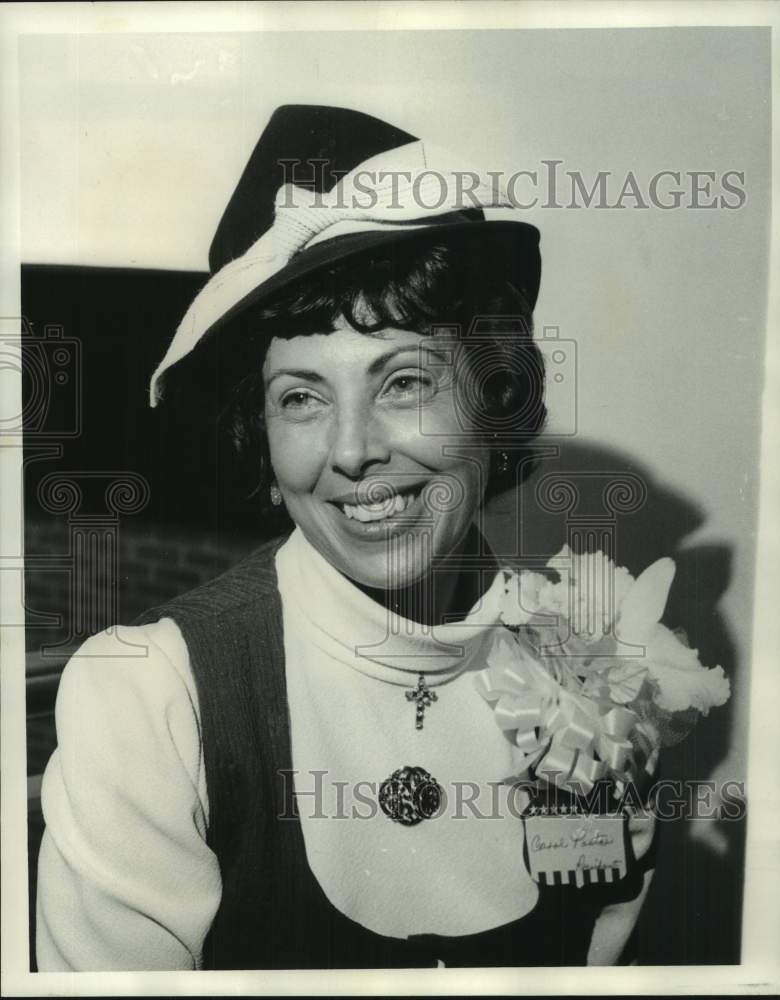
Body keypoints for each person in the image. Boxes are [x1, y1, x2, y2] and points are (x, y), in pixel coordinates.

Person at [36, 105, 656, 971]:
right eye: (300, 396)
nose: (352, 449)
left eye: (402, 381)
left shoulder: (591, 658)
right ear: (260, 429)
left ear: (494, 396)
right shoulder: (149, 698)